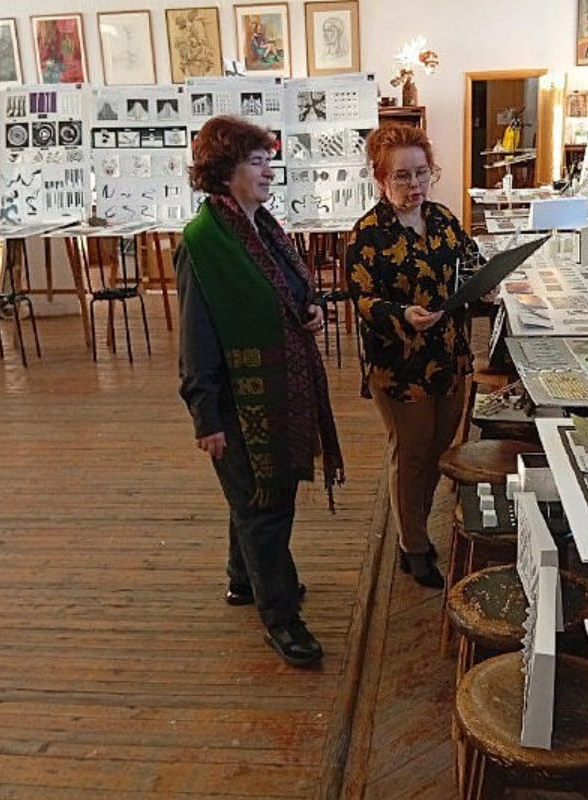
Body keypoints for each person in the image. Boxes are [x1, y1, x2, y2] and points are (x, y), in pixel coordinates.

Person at [177, 115, 344, 668]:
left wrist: (312, 310)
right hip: (238, 402)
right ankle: (281, 618)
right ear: (226, 171)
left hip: (278, 390)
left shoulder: (263, 227)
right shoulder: (204, 243)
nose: (269, 171)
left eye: (268, 160)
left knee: (250, 499)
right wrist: (206, 417)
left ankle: (243, 579)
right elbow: (196, 337)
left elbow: (294, 292)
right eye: (257, 161)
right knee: (265, 507)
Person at [345, 124, 482, 589]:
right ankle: (413, 546)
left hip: (449, 357)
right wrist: (402, 312)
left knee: (437, 451)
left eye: (422, 173)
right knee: (411, 455)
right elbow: (363, 298)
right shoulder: (368, 234)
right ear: (380, 178)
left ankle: (415, 526)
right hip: (400, 366)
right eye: (401, 176)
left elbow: (471, 264)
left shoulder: (442, 219)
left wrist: (487, 283)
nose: (414, 184)